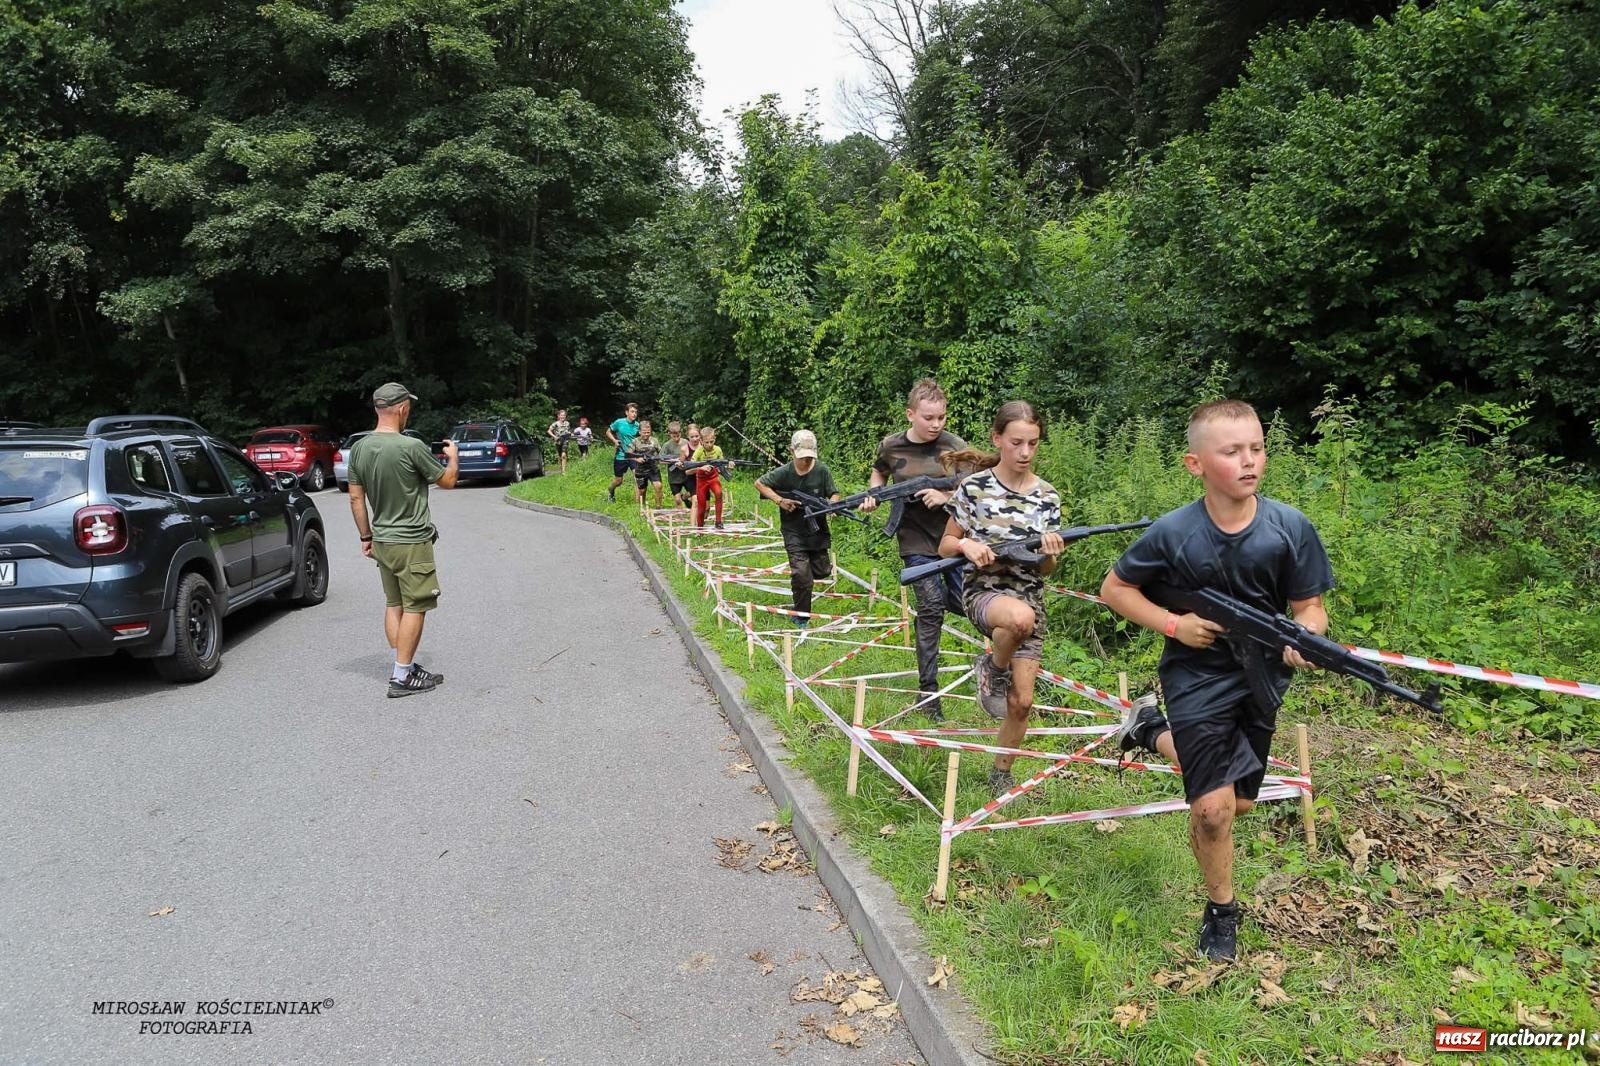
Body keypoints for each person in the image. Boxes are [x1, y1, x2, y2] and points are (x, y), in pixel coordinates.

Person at [1099, 398, 1334, 962]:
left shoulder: (1290, 528)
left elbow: (1311, 607)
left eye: (1256, 448)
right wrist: (1174, 624)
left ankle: (1150, 730)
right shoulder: (1173, 533)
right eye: (1232, 451)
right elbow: (1116, 589)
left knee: (1241, 803)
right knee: (1213, 810)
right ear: (1195, 464)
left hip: (1261, 677)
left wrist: (1305, 636)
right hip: (1194, 675)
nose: (1249, 461)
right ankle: (1222, 912)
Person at [937, 401, 1065, 797]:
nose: (1025, 453)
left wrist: (1049, 553)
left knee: (1022, 702)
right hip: (985, 593)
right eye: (1016, 443)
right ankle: (993, 666)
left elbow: (1045, 572)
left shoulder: (1048, 496)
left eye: (1033, 444)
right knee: (1019, 619)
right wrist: (967, 547)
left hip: (1030, 595)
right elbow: (945, 545)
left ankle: (1000, 772)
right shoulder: (974, 488)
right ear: (998, 439)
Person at [862, 379, 969, 720]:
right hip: (914, 540)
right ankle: (929, 693)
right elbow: (878, 474)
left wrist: (946, 497)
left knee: (971, 601)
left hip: (953, 539)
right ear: (911, 415)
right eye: (928, 417)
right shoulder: (892, 446)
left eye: (941, 417)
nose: (936, 424)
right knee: (931, 605)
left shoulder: (955, 446)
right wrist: (874, 496)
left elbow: (975, 490)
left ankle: (997, 671)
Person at [347, 382, 461, 698]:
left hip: (382, 541)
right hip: (412, 542)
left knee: (394, 602)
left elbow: (355, 499)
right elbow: (448, 482)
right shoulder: (411, 447)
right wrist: (453, 456)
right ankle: (400, 677)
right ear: (402, 409)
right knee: (416, 606)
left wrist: (366, 536)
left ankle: (406, 667)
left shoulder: (359, 448)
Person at [755, 430, 842, 631]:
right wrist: (780, 500)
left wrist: (832, 505)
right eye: (802, 457)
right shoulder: (784, 472)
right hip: (793, 530)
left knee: (822, 571)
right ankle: (801, 616)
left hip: (817, 530)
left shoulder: (822, 470)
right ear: (791, 451)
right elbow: (760, 483)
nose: (806, 461)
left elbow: (834, 493)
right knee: (802, 575)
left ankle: (803, 584)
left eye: (810, 457)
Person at [690, 425, 726, 530]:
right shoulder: (699, 451)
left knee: (719, 493)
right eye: (707, 442)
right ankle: (700, 527)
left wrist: (729, 465)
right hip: (701, 480)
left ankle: (718, 522)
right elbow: (692, 463)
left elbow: (722, 463)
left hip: (713, 477)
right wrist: (701, 467)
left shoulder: (718, 450)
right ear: (701, 441)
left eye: (711, 442)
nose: (709, 444)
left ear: (714, 440)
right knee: (701, 507)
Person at [605, 403, 641, 502]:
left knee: (637, 477)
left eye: (636, 412)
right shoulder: (619, 422)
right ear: (626, 412)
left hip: (633, 455)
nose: (634, 414)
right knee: (618, 481)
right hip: (621, 455)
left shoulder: (638, 426)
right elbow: (608, 432)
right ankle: (610, 490)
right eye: (632, 412)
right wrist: (615, 441)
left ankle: (637, 504)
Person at [629, 419, 665, 509]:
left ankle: (658, 507)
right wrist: (637, 459)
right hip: (640, 469)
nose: (646, 434)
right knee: (642, 490)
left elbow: (661, 453)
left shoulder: (655, 441)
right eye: (644, 432)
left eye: (648, 432)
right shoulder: (635, 441)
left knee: (658, 486)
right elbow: (629, 454)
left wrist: (661, 458)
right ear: (640, 432)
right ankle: (643, 507)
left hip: (653, 468)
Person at [664, 421, 691, 509]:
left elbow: (692, 455)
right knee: (677, 500)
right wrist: (673, 461)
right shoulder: (667, 445)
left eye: (678, 436)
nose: (676, 438)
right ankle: (680, 518)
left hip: (686, 474)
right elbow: (660, 460)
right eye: (673, 436)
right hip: (674, 476)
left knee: (691, 493)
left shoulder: (686, 442)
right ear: (669, 434)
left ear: (680, 433)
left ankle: (685, 498)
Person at [547, 409, 572, 475]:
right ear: (558, 416)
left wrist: (570, 434)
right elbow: (549, 431)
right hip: (558, 441)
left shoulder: (567, 423)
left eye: (564, 415)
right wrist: (554, 437)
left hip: (565, 440)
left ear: (565, 416)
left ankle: (564, 471)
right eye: (561, 415)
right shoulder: (555, 424)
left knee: (564, 455)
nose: (562, 417)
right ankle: (561, 468)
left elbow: (568, 431)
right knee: (560, 456)